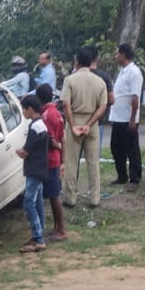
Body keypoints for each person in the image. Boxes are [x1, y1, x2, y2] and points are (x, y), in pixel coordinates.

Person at [61, 48, 108, 208]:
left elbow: (66, 104)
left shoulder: (70, 80)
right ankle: (95, 198)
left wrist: (73, 125)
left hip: (75, 118)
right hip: (92, 122)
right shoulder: (99, 82)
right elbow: (103, 106)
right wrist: (89, 124)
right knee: (93, 162)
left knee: (71, 162)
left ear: (77, 61)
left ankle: (70, 197)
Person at [16, 95, 49, 253]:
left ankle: (38, 238)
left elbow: (26, 152)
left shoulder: (34, 127)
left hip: (34, 169)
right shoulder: (42, 124)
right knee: (38, 201)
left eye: (23, 109)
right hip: (41, 168)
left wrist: (18, 151)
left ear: (29, 109)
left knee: (28, 202)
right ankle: (39, 233)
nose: (23, 112)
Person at [107, 43, 142, 191]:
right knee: (116, 147)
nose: (115, 56)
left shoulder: (134, 72)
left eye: (117, 54)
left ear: (123, 55)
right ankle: (122, 176)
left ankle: (135, 179)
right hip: (118, 117)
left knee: (132, 149)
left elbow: (135, 98)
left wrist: (133, 119)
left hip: (128, 118)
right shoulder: (123, 71)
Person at [36, 84, 67, 242]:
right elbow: (62, 137)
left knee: (54, 195)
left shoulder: (46, 116)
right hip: (55, 158)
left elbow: (51, 139)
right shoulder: (56, 113)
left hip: (50, 159)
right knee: (54, 194)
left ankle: (61, 229)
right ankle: (57, 226)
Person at [86, 45, 116, 156]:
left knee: (76, 156)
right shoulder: (104, 76)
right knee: (94, 155)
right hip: (98, 120)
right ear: (97, 58)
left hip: (79, 120)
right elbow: (112, 99)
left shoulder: (75, 77)